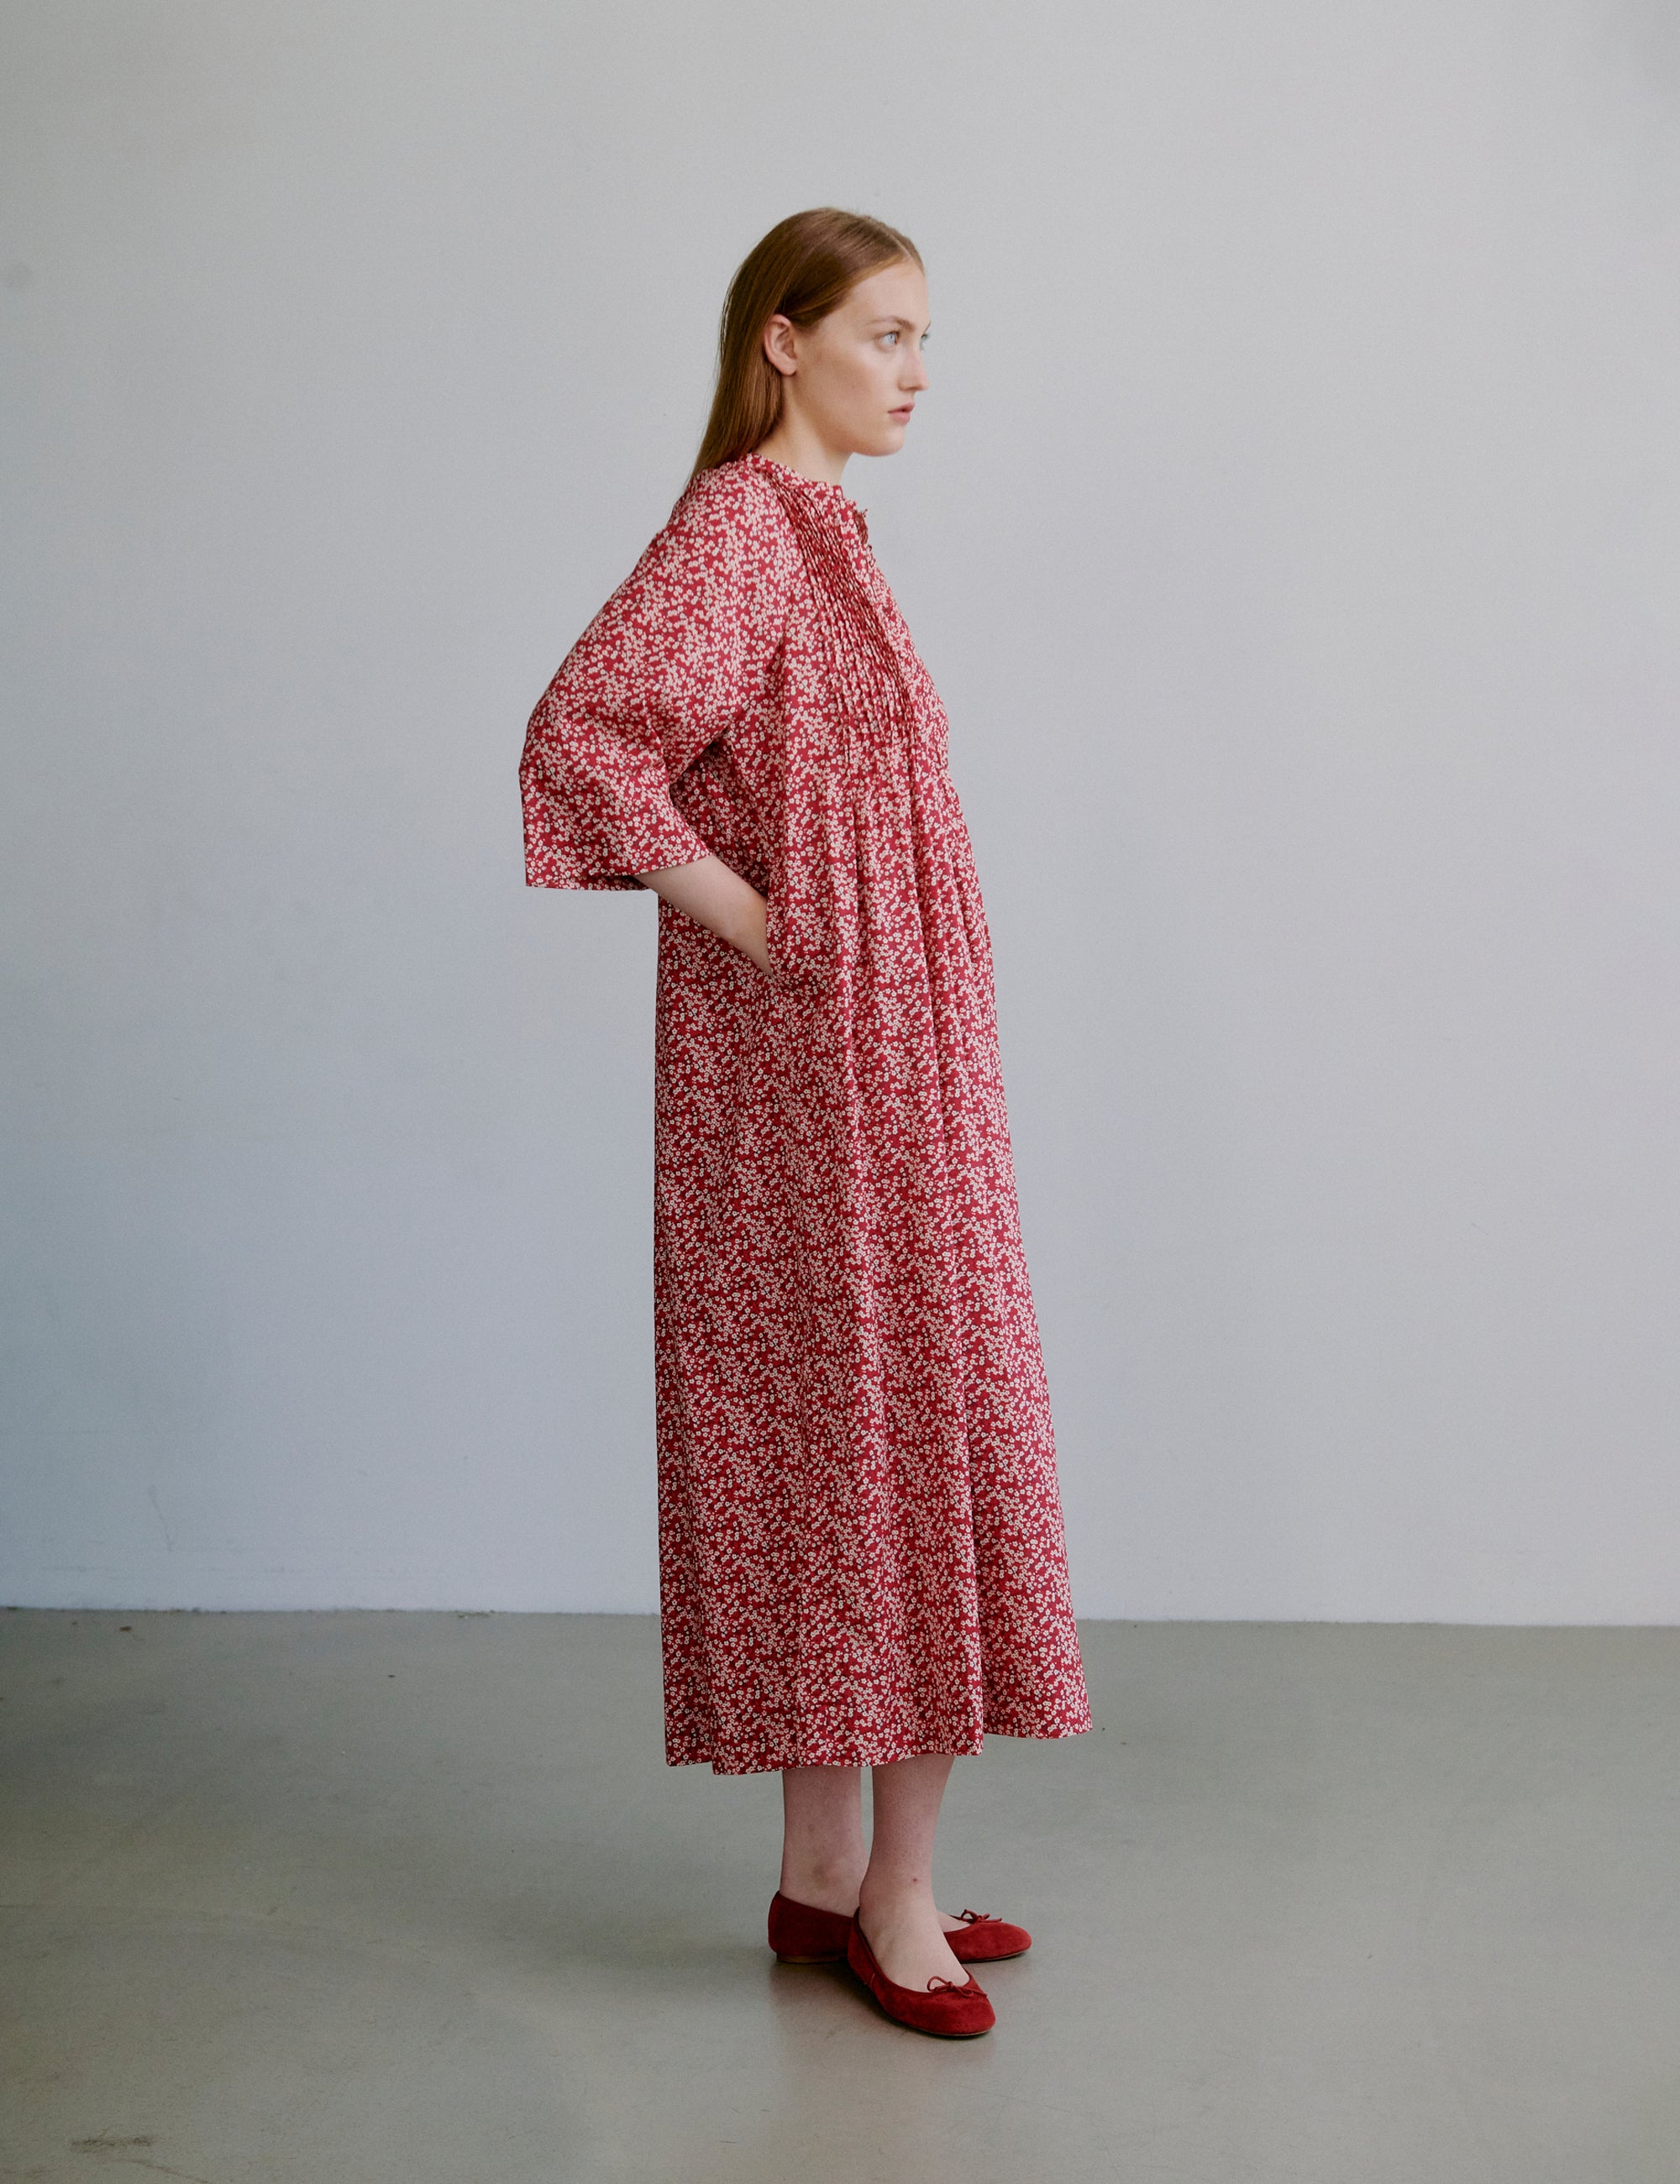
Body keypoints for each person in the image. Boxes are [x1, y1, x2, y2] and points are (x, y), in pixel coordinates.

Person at [518, 207, 1090, 2039]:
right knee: (889, 1433)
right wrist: (769, 923)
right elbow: (584, 740)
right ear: (785, 339)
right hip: (825, 1078)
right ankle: (891, 1899)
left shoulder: (819, 533)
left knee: (868, 1436)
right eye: (884, 335)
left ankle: (828, 1879)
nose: (916, 373)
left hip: (885, 1066)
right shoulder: (740, 533)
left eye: (927, 341)